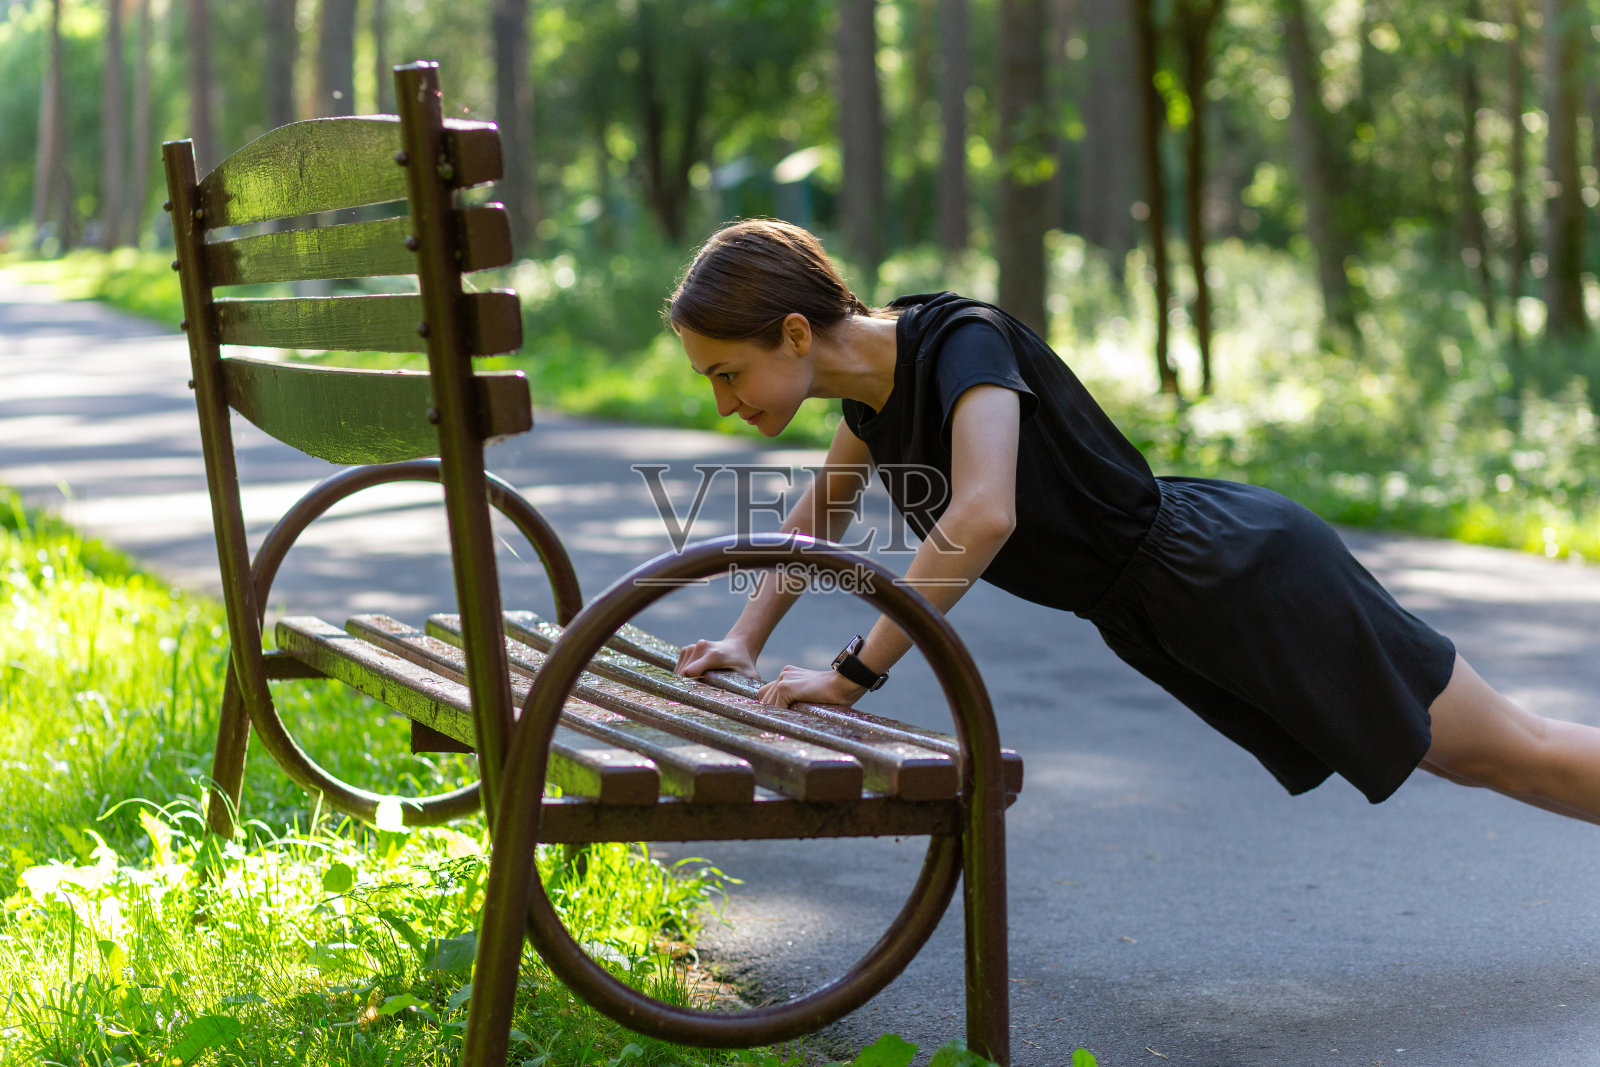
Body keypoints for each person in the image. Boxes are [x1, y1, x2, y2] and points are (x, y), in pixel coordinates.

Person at [667, 217, 1600, 821]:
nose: (724, 402)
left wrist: (853, 674)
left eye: (727, 373)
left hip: (1235, 572)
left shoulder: (961, 344)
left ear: (795, 332)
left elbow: (983, 515)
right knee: (1470, 756)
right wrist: (746, 637)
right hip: (1171, 604)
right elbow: (816, 520)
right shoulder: (870, 399)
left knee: (1504, 749)